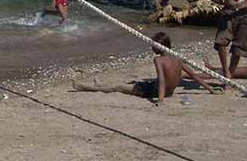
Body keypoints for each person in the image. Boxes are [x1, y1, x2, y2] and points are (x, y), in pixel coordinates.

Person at [73, 32, 215, 104]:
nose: (151, 47)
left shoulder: (158, 60)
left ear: (158, 47)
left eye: (153, 45)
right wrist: (210, 89)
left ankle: (86, 87)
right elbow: (194, 75)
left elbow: (161, 80)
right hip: (168, 91)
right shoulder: (177, 58)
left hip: (156, 91)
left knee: (118, 87)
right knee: (133, 83)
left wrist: (160, 100)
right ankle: (99, 84)